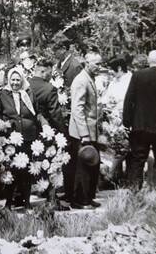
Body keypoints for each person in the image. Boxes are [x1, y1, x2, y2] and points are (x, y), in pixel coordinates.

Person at [0, 66, 49, 210]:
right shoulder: (4, 94)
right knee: (11, 169)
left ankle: (26, 201)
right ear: (9, 80)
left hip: (28, 137)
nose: (15, 83)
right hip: (11, 138)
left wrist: (44, 124)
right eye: (13, 79)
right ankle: (8, 202)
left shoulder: (29, 93)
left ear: (22, 80)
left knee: (26, 170)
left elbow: (38, 113)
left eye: (18, 80)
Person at [123, 50, 156, 189]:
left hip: (139, 125)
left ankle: (134, 191)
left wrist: (127, 122)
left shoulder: (137, 76)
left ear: (149, 61)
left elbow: (128, 100)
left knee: (137, 159)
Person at [68, 52, 102, 209]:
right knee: (82, 168)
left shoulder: (89, 78)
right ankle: (80, 200)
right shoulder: (81, 80)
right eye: (97, 64)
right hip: (83, 133)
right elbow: (77, 109)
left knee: (91, 166)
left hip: (89, 130)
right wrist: (84, 134)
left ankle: (88, 197)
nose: (100, 67)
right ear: (87, 63)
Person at [28, 58, 65, 131]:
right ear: (43, 72)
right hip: (44, 129)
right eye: (50, 73)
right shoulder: (50, 89)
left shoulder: (25, 84)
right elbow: (55, 115)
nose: (51, 76)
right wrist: (63, 131)